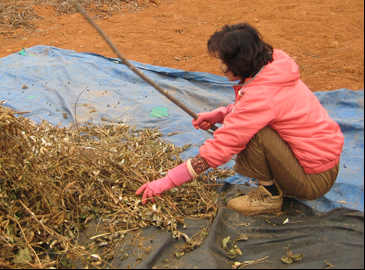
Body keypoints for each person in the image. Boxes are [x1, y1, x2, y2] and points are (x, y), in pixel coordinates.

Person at [136, 23, 344, 215]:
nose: (221, 67)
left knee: (253, 134)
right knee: (249, 127)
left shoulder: (262, 94)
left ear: (239, 63)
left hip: (312, 180)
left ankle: (269, 197)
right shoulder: (273, 67)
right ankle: (279, 180)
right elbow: (261, 109)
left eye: (224, 62)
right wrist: (222, 113)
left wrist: (165, 182)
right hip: (322, 165)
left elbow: (220, 149)